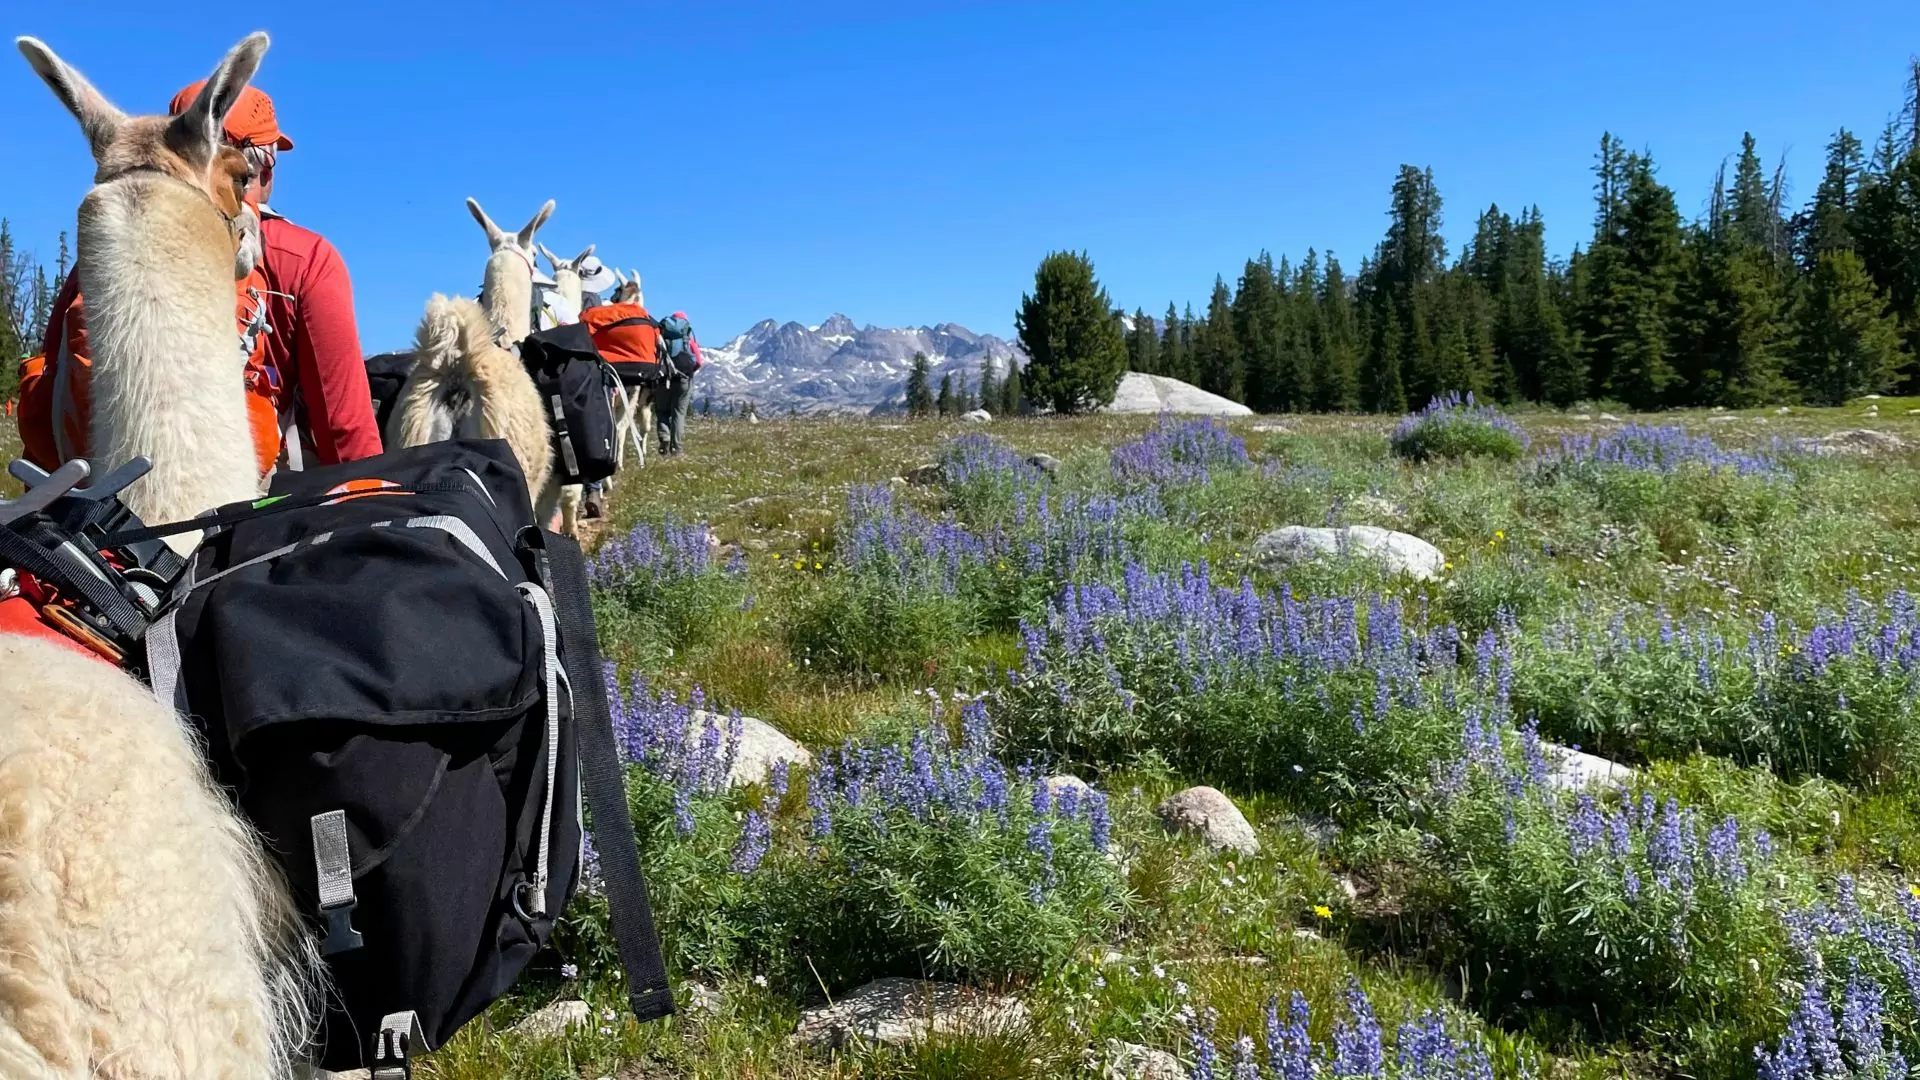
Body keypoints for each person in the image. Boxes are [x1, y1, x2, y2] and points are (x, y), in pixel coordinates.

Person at [164, 78, 382, 468]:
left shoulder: (115, 243)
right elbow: (345, 432)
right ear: (262, 165)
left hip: (100, 515)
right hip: (236, 512)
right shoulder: (307, 259)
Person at [655, 311, 703, 456]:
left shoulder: (660, 338)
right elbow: (699, 362)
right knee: (678, 414)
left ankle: (664, 437)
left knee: (662, 411)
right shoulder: (688, 340)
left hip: (663, 378)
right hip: (683, 379)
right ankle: (676, 449)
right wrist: (689, 372)